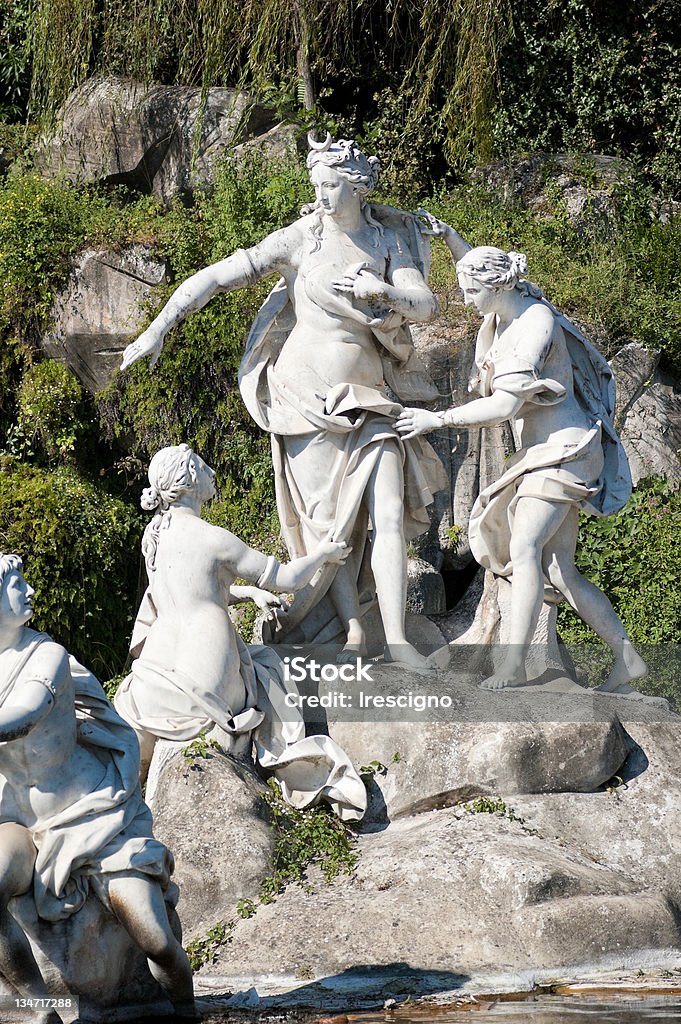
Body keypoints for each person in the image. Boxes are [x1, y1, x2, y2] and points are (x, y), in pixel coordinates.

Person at [121, 135, 447, 671]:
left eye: (331, 185)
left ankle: (399, 639)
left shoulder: (388, 243)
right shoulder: (303, 239)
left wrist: (379, 291)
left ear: (359, 187)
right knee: (332, 527)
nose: (320, 195)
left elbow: (427, 306)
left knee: (385, 512)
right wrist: (158, 328)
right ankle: (354, 629)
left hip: (369, 401)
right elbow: (222, 275)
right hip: (304, 399)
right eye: (316, 185)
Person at [397, 244, 647, 695]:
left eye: (472, 290)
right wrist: (452, 237)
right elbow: (481, 262)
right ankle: (628, 659)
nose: (466, 299)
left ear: (497, 286)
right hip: (545, 451)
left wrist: (438, 419)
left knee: (525, 544)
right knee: (560, 569)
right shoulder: (503, 314)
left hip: (565, 451)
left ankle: (514, 666)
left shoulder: (535, 323)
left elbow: (506, 404)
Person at [114, 443, 367, 821]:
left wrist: (247, 593)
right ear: (187, 480)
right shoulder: (214, 538)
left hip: (152, 683)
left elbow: (195, 592)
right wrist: (322, 555)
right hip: (206, 685)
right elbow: (286, 578)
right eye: (202, 466)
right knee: (266, 664)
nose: (211, 471)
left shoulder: (154, 538)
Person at [0, 554, 196, 1024]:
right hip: (22, 824)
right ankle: (38, 1009)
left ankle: (187, 1010)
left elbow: (24, 715)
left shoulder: (44, 655)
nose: (28, 591)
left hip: (94, 817)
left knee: (155, 938)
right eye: (14, 584)